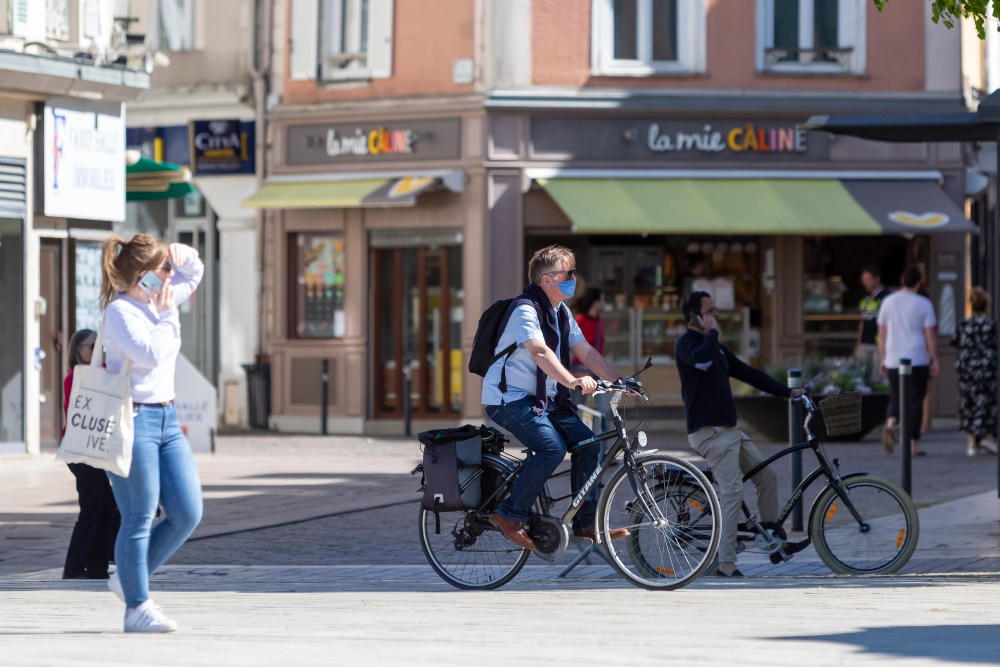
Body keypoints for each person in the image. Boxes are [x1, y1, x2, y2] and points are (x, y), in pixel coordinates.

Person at [483, 245, 629, 550]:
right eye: (569, 273)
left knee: (589, 445)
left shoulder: (560, 313)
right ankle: (508, 514)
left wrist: (621, 381)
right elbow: (539, 351)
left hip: (544, 399)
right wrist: (572, 380)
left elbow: (585, 351)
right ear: (548, 279)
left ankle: (585, 522)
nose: (574, 278)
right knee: (552, 448)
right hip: (508, 399)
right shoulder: (525, 310)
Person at [98, 234, 204, 633]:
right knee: (139, 516)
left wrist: (177, 251)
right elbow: (148, 354)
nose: (171, 275)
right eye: (163, 269)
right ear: (143, 277)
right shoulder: (120, 312)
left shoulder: (161, 298)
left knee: (187, 512)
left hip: (167, 418)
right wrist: (167, 317)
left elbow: (196, 270)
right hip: (132, 418)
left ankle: (127, 579)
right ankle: (137, 607)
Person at [675, 291, 803, 578]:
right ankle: (726, 563)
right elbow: (701, 361)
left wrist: (788, 392)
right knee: (732, 491)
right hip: (709, 433)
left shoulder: (716, 346)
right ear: (695, 315)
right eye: (710, 310)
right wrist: (711, 333)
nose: (717, 314)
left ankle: (772, 543)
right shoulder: (687, 344)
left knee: (766, 477)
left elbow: (749, 373)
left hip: (730, 430)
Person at [61, 329, 121, 580]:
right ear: (78, 351)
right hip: (80, 450)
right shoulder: (74, 378)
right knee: (92, 508)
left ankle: (98, 568)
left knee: (106, 508)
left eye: (101, 346)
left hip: (97, 448)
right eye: (94, 346)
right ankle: (74, 569)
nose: (100, 351)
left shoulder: (104, 372)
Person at [877, 266, 938, 458]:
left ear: (902, 280)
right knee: (915, 401)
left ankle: (891, 423)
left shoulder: (888, 301)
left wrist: (882, 357)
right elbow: (930, 334)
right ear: (918, 283)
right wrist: (933, 357)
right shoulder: (924, 303)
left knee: (895, 395)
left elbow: (882, 333)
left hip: (894, 357)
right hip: (918, 358)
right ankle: (912, 445)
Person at [953, 287, 998, 457]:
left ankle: (971, 443)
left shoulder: (964, 324)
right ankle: (987, 436)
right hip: (987, 368)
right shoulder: (992, 324)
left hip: (967, 369)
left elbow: (956, 342)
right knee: (987, 402)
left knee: (968, 403)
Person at [569, 286, 613, 432]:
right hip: (579, 372)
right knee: (575, 409)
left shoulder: (600, 321)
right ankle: (578, 442)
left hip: (596, 372)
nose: (603, 303)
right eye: (601, 299)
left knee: (606, 411)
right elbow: (573, 347)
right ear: (595, 302)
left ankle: (603, 450)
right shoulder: (579, 320)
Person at [855, 264, 891, 378]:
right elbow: (863, 320)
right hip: (865, 342)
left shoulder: (887, 296)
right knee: (863, 375)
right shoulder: (865, 296)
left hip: (879, 344)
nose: (865, 283)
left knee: (878, 377)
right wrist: (858, 343)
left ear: (877, 278)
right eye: (863, 280)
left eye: (868, 279)